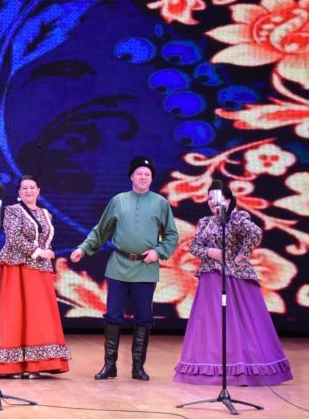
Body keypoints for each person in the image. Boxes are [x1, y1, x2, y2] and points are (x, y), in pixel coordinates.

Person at [70, 156, 179, 382]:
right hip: (119, 265)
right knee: (113, 316)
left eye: (147, 175)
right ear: (131, 177)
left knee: (143, 317)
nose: (143, 177)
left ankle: (138, 367)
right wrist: (83, 248)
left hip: (146, 268)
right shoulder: (118, 201)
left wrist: (158, 252)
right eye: (139, 174)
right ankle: (109, 365)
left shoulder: (160, 203)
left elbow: (171, 235)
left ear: (152, 178)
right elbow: (101, 230)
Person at [174, 180, 293, 386]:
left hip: (235, 277)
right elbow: (194, 247)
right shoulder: (205, 222)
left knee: (240, 321)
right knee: (212, 322)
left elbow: (255, 233)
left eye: (217, 197)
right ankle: (212, 369)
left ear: (228, 200)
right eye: (209, 198)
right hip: (211, 277)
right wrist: (209, 252)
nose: (212, 202)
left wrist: (241, 255)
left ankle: (245, 369)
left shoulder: (237, 218)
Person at [0, 175, 71, 377]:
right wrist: (39, 252)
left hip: (39, 269)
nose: (28, 191)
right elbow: (14, 238)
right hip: (16, 267)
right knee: (13, 314)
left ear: (39, 190)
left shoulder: (45, 213)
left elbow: (43, 238)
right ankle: (11, 364)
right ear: (18, 192)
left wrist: (46, 252)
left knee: (37, 315)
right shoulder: (12, 211)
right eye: (24, 188)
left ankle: (36, 364)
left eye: (32, 187)